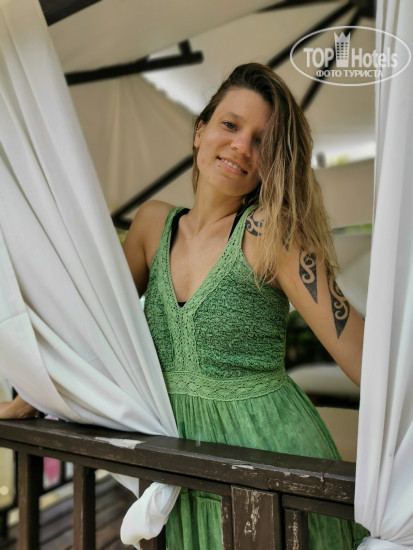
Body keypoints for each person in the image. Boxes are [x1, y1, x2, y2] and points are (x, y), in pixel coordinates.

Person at [0, 63, 366, 548]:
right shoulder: (152, 225)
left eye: (262, 141)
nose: (242, 146)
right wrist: (34, 396)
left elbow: (365, 358)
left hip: (266, 460)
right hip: (173, 461)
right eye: (230, 125)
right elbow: (94, 330)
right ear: (200, 131)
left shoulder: (272, 234)